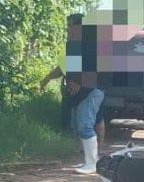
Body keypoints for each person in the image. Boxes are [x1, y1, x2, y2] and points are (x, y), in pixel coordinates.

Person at [39, 14, 107, 173]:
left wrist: (80, 82)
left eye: (70, 26)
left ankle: (92, 163)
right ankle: (89, 161)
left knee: (85, 125)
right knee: (81, 125)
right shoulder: (74, 45)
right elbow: (64, 68)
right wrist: (48, 78)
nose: (67, 29)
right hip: (82, 92)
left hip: (92, 90)